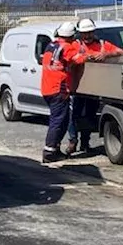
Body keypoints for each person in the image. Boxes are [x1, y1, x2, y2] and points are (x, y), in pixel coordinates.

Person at [64, 18, 123, 154]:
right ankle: (73, 141)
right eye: (84, 33)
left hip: (95, 89)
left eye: (90, 33)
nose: (87, 36)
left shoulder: (102, 44)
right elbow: (68, 59)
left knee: (89, 116)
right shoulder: (75, 45)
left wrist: (106, 54)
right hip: (77, 88)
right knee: (73, 116)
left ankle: (85, 142)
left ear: (94, 32)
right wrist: (83, 57)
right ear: (79, 33)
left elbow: (121, 52)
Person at [40, 21, 88, 162]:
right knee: (58, 121)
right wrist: (88, 54)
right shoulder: (66, 47)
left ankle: (54, 149)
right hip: (59, 89)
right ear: (72, 36)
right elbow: (79, 59)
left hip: (47, 88)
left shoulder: (51, 45)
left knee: (62, 119)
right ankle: (49, 152)